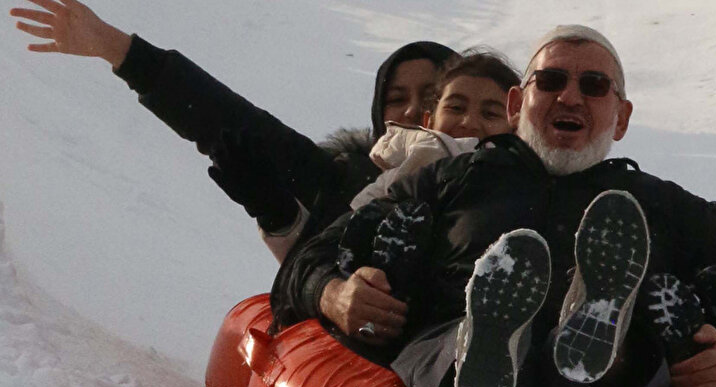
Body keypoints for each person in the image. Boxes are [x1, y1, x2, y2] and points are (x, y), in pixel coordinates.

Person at [10, 1, 716, 279]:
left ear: (510, 113)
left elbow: (691, 214)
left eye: (470, 104)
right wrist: (123, 52)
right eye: (417, 103)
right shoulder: (374, 176)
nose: (441, 117)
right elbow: (233, 120)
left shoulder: (547, 169)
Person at [270, 25, 716, 387]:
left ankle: (594, 340)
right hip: (445, 337)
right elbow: (312, 255)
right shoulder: (451, 179)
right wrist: (334, 293)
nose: (570, 97)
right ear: (518, 103)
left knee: (614, 359)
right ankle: (487, 348)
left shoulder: (657, 205)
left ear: (621, 117)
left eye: (593, 86)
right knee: (448, 342)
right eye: (551, 81)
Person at [9, 0, 456, 263]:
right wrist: (119, 50)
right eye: (398, 99)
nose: (415, 110)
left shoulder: (501, 178)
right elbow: (233, 122)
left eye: (435, 97)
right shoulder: (344, 181)